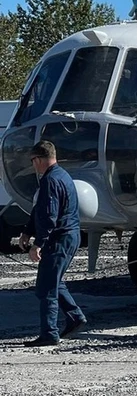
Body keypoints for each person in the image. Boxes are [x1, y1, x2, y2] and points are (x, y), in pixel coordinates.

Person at [18, 140, 86, 347]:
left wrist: (38, 243)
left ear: (38, 159)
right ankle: (75, 317)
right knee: (55, 281)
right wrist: (28, 232)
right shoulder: (62, 176)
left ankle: (49, 333)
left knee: (45, 288)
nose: (33, 165)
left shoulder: (49, 181)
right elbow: (41, 210)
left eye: (33, 161)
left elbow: (49, 216)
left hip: (60, 238)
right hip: (68, 236)